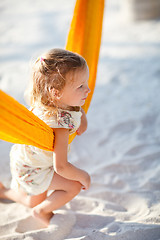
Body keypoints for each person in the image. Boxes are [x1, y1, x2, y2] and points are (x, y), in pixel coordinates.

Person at [0, 48, 91, 226]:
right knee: (74, 186)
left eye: (86, 83)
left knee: (32, 200)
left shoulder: (47, 100)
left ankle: (4, 192)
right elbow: (62, 166)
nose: (88, 89)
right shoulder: (60, 124)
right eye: (80, 86)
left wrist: (78, 107)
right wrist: (84, 176)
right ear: (56, 93)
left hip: (26, 160)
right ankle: (41, 212)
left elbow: (81, 127)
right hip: (34, 168)